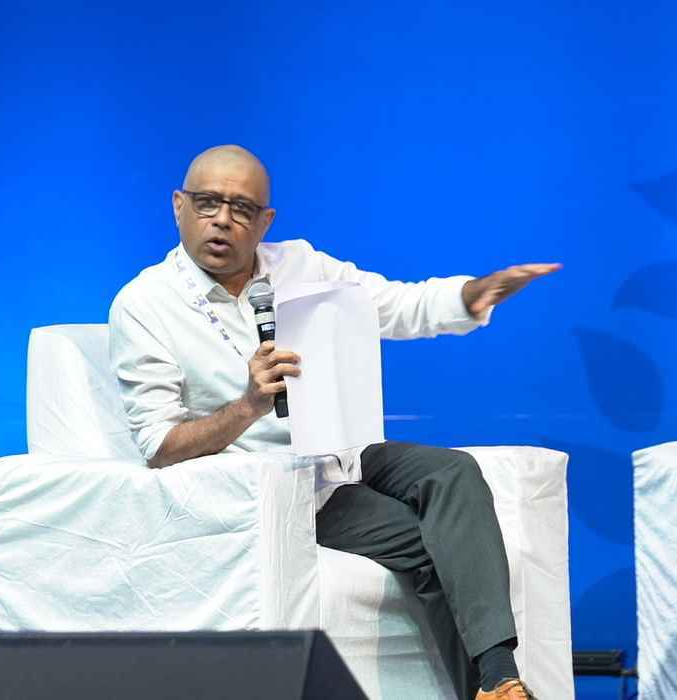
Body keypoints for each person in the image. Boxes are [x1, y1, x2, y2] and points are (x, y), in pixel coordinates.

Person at [108, 144, 559, 700]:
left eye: (242, 208)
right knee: (432, 547)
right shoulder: (144, 304)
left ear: (265, 221)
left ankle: (500, 683)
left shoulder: (300, 266)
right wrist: (248, 405)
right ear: (179, 205)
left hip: (343, 450)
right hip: (272, 484)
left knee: (452, 470)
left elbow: (392, 305)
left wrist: (472, 294)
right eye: (207, 203)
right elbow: (160, 444)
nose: (222, 219)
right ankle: (496, 685)